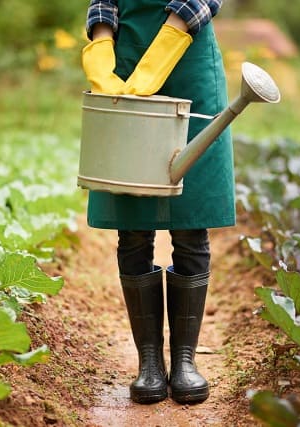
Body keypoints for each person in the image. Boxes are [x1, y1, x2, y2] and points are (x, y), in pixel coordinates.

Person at [81, 0, 232, 405]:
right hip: (126, 61)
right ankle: (149, 362)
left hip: (189, 61)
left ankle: (185, 362)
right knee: (133, 221)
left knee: (189, 220)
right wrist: (101, 49)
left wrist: (170, 37)